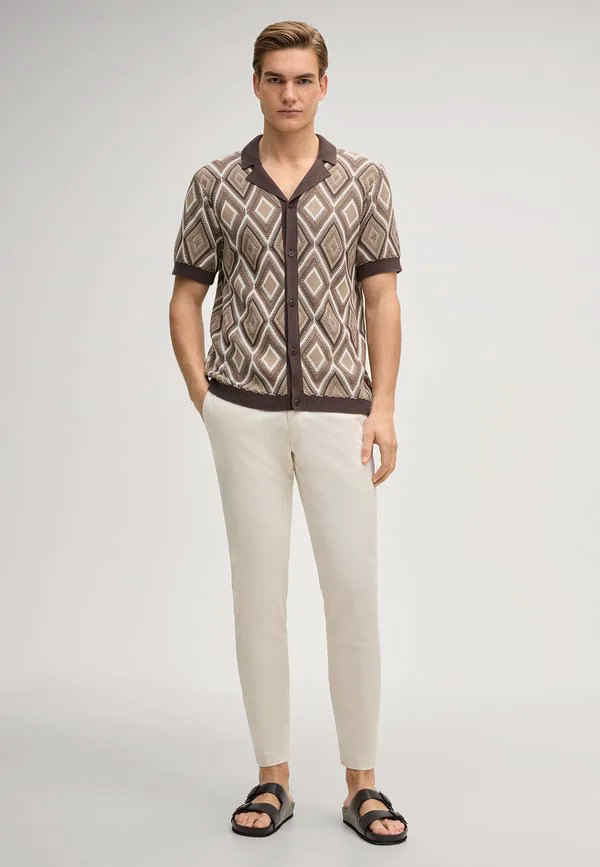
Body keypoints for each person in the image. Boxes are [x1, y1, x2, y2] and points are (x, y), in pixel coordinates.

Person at [168, 20, 408, 845]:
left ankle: (362, 784)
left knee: (353, 594)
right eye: (275, 78)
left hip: (341, 411)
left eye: (304, 79)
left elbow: (382, 298)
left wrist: (383, 405)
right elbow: (186, 296)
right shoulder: (213, 183)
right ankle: (273, 776)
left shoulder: (365, 181)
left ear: (324, 85)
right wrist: (206, 396)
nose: (290, 93)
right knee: (258, 597)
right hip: (244, 412)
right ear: (256, 84)